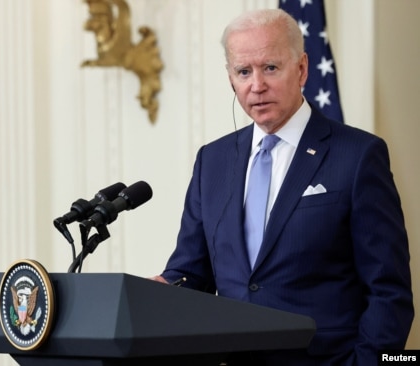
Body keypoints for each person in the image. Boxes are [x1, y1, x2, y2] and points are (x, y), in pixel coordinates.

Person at [151, 8, 413, 365]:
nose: (256, 85)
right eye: (244, 71)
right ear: (231, 80)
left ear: (302, 68)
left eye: (270, 68)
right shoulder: (212, 161)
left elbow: (388, 291)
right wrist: (160, 293)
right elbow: (191, 273)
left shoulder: (358, 156)